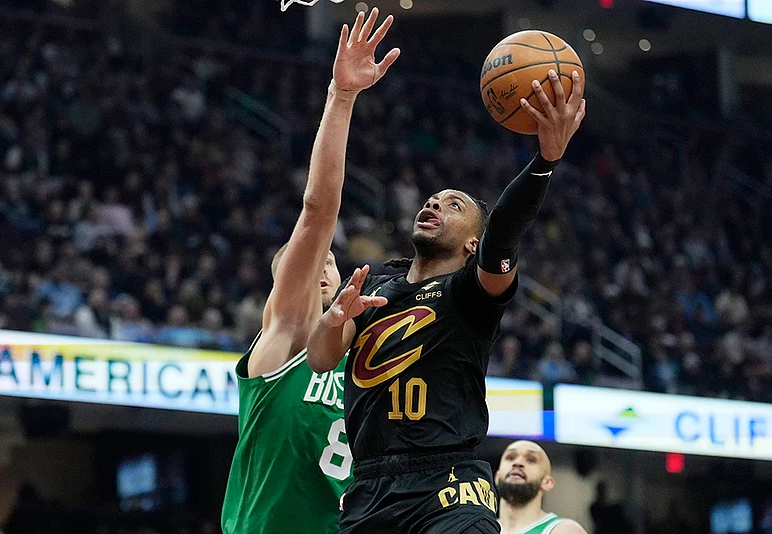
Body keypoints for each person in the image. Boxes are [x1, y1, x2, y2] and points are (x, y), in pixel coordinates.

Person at [307, 10, 586, 532]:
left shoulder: (471, 293)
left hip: (449, 485)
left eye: (453, 204)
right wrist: (332, 319)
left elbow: (504, 232)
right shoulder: (375, 289)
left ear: (473, 244)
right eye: (432, 199)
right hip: (369, 489)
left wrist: (544, 162)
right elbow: (321, 360)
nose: (434, 203)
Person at [220, 10, 398, 534]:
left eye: (331, 262)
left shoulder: (361, 366)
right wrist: (341, 97)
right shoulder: (286, 336)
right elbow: (319, 211)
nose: (323, 266)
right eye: (310, 262)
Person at [495, 440, 587, 534]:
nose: (518, 463)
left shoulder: (565, 530)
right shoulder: (486, 529)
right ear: (497, 477)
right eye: (510, 458)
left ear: (547, 483)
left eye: (530, 460)